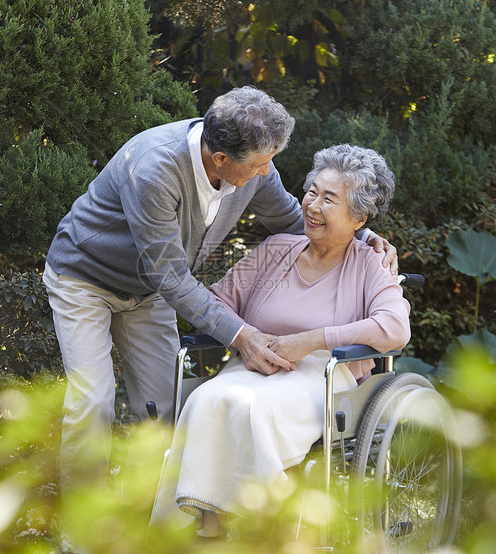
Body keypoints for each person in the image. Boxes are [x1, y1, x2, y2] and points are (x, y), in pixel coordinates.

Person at [43, 87, 398, 487]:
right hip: (86, 278)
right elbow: (172, 277)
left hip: (150, 290)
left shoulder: (254, 165)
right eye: (260, 165)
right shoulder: (154, 168)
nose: (266, 172)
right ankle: (80, 536)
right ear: (221, 160)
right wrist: (243, 337)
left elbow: (293, 220)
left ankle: (157, 516)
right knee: (93, 401)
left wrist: (363, 236)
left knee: (166, 405)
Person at [149, 144, 411, 536]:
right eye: (311, 192)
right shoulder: (274, 250)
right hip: (251, 367)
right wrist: (246, 340)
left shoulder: (370, 263)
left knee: (252, 411)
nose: (312, 205)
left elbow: (395, 327)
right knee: (207, 399)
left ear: (358, 217)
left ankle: (271, 525)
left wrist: (311, 340)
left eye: (329, 199)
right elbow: (216, 302)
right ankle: (211, 526)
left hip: (321, 379)